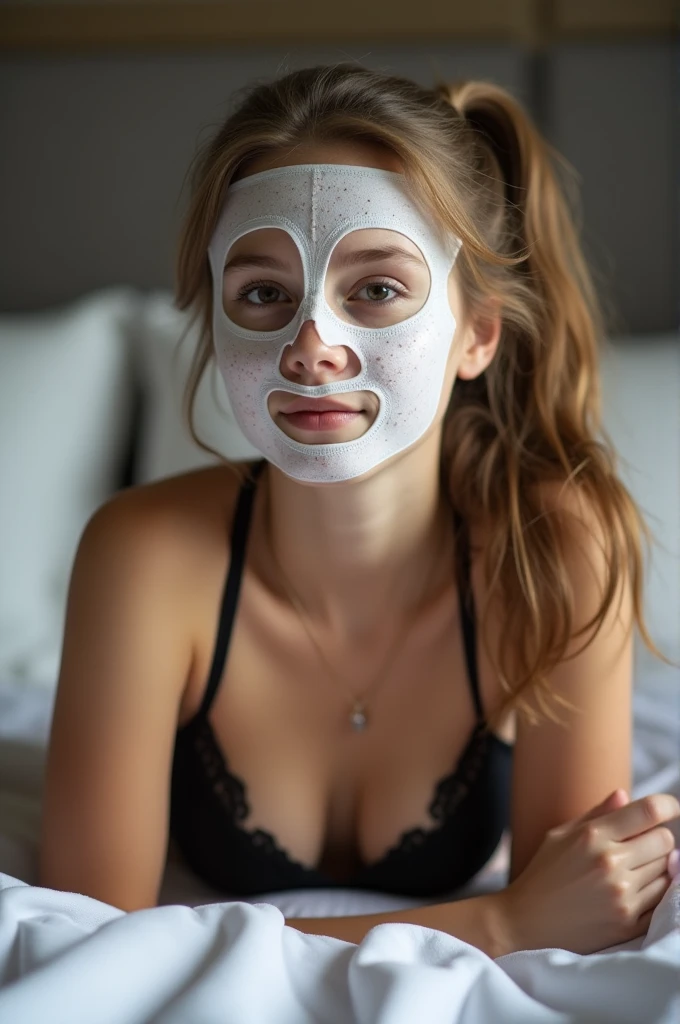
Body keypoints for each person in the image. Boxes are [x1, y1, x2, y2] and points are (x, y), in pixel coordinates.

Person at [39, 63, 679, 957]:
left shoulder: (556, 550)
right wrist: (497, 921)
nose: (311, 348)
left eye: (376, 290)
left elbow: (575, 930)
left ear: (478, 333)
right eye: (262, 293)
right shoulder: (142, 557)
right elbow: (90, 940)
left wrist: (536, 918)